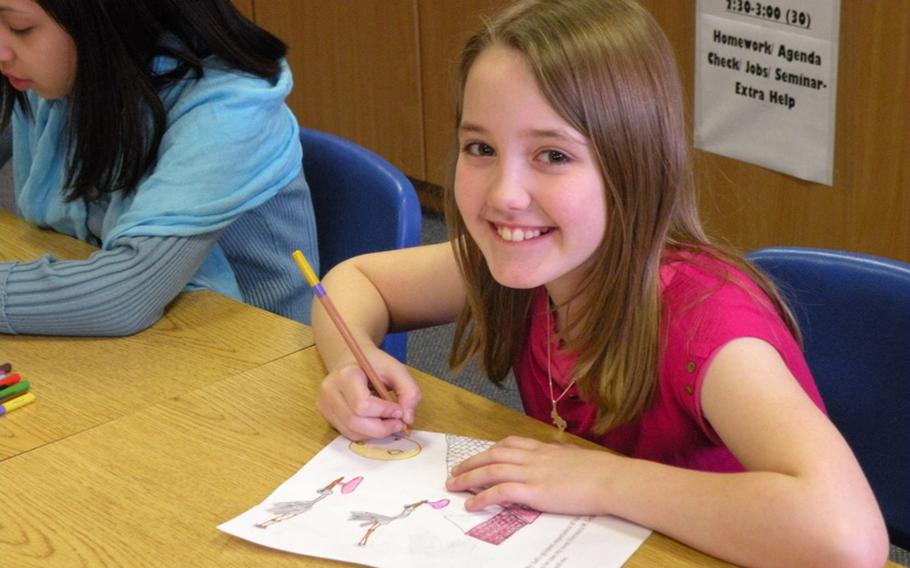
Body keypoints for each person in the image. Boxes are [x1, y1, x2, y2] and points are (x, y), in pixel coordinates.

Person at [310, 0, 887, 566]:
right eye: (480, 148)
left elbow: (848, 540)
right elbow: (353, 281)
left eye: (553, 154)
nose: (504, 194)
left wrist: (603, 480)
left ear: (632, 169)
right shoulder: (530, 260)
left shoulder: (705, 326)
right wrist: (351, 361)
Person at [0, 0, 319, 336]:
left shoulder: (229, 113)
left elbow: (123, 297)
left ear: (106, 17)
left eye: (20, 28)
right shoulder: (69, 70)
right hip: (146, 337)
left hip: (253, 358)